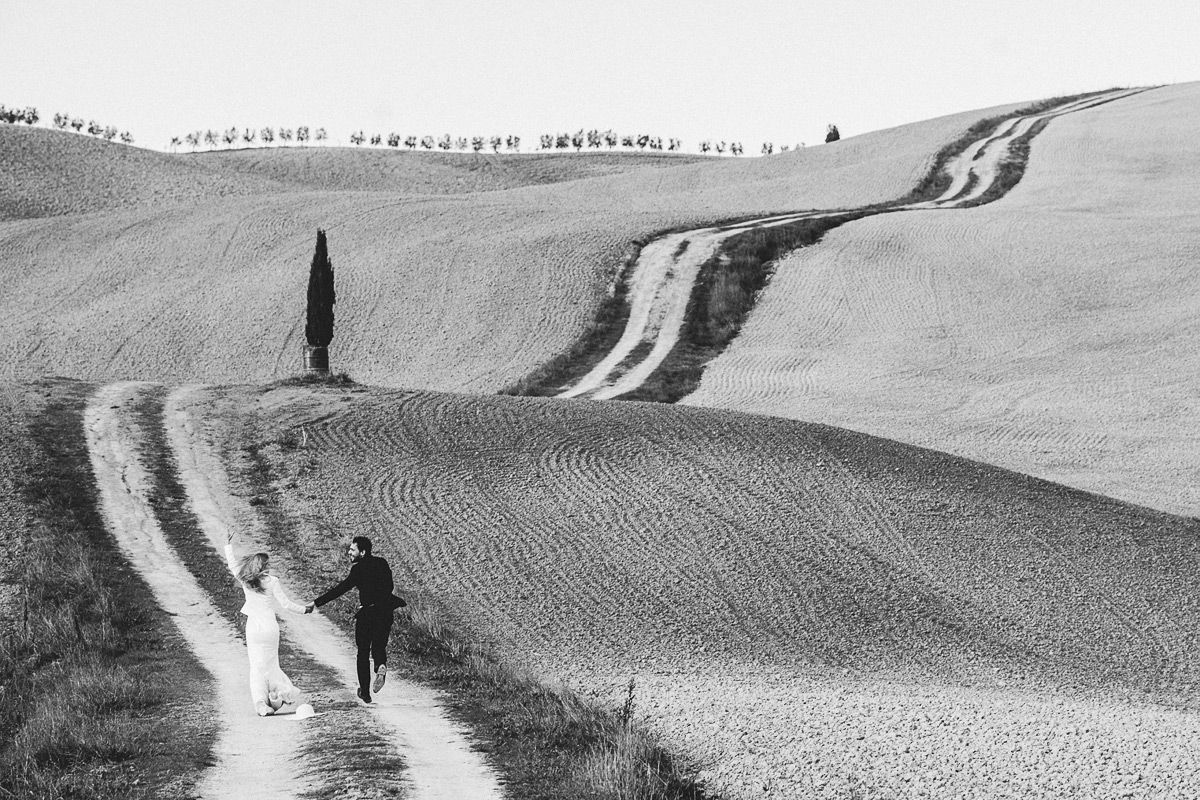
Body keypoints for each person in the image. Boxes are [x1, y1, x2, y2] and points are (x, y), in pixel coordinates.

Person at [224, 532, 311, 717]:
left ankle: (261, 702)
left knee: (256, 666)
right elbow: (286, 604)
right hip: (270, 628)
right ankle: (279, 694)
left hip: (254, 628)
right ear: (265, 565)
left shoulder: (247, 581)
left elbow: (232, 566)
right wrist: (305, 609)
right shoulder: (273, 582)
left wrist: (228, 545)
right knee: (272, 664)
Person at [307, 536, 403, 704]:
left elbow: (340, 589)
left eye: (352, 550)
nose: (349, 553)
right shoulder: (382, 563)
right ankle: (380, 666)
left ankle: (365, 693)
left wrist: (316, 603)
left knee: (363, 652)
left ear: (363, 552)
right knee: (379, 645)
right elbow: (389, 586)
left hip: (367, 614)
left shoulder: (358, 570)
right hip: (386, 611)